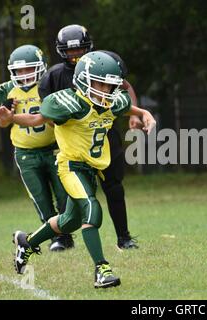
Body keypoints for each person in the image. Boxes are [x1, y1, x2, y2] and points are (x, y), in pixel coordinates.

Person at [0, 51, 156, 288]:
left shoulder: (112, 100)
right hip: (70, 166)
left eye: (110, 85)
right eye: (101, 84)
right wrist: (12, 117)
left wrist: (145, 114)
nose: (106, 90)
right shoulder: (69, 102)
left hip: (90, 169)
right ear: (84, 81)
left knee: (68, 222)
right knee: (91, 208)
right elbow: (37, 119)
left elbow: (128, 106)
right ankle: (102, 269)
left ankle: (26, 242)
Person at [38, 24, 141, 250]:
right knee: (69, 193)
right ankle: (63, 238)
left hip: (103, 136)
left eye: (79, 50)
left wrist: (134, 112)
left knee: (114, 187)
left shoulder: (104, 63)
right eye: (70, 51)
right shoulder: (53, 76)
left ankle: (123, 237)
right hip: (74, 144)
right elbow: (46, 113)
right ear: (61, 51)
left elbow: (124, 85)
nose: (75, 56)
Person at [0, 45, 69, 251]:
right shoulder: (7, 89)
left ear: (40, 67)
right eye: (20, 70)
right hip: (26, 153)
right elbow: (3, 123)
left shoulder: (48, 84)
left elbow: (55, 119)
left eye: (29, 69)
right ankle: (57, 238)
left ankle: (64, 233)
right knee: (41, 198)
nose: (24, 74)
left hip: (54, 148)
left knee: (64, 194)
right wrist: (3, 116)